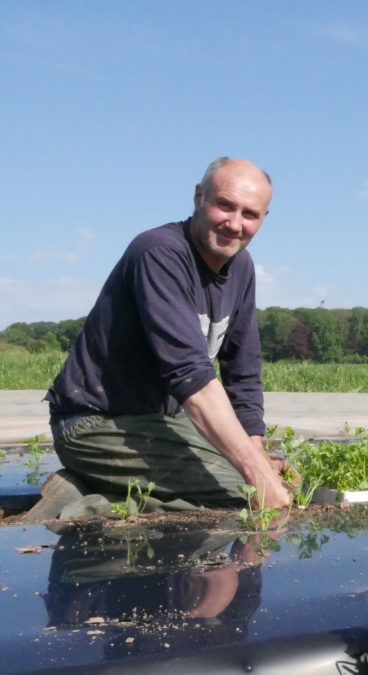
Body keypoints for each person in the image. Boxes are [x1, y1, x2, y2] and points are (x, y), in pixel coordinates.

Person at [25, 157, 296, 522]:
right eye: (225, 205)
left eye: (249, 214)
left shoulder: (241, 269)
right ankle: (88, 500)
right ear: (199, 197)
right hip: (95, 422)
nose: (235, 224)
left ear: (264, 218)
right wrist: (256, 476)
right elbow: (190, 374)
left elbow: (242, 373)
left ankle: (109, 484)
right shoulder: (159, 252)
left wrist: (258, 456)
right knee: (240, 492)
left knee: (277, 479)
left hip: (157, 421)